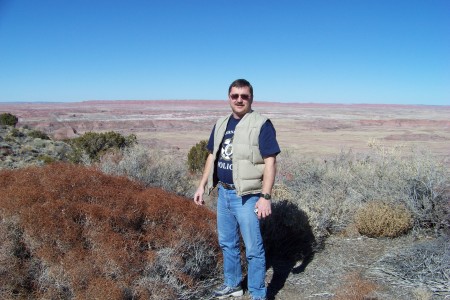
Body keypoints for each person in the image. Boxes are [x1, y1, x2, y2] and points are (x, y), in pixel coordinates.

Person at [194, 79, 280, 300]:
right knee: (227, 243)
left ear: (251, 98)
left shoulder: (261, 124)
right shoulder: (221, 123)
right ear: (229, 98)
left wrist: (265, 196)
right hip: (223, 193)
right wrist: (202, 185)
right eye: (235, 96)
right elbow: (212, 155)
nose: (239, 100)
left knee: (253, 248)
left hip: (248, 196)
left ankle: (258, 294)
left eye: (244, 96)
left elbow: (270, 161)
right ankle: (233, 285)